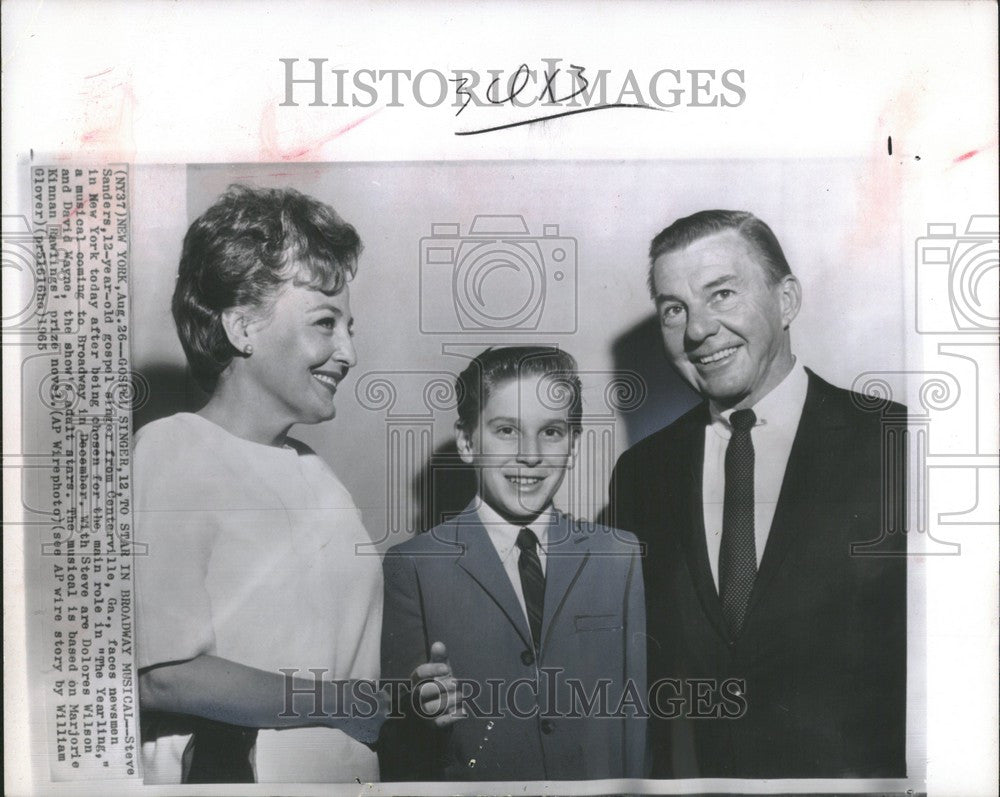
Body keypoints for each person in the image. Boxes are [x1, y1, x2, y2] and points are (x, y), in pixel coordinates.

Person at [609, 210, 907, 778]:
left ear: (787, 299)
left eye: (721, 294)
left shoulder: (898, 444)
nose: (697, 330)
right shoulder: (641, 473)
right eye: (675, 309)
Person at [135, 185, 385, 783]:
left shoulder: (317, 474)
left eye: (349, 326)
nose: (347, 351)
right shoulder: (172, 451)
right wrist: (343, 704)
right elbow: (164, 674)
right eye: (325, 323)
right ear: (243, 326)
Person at [380, 347, 647, 781]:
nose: (530, 454)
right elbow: (398, 742)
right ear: (467, 442)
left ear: (574, 445)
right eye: (507, 430)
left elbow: (636, 724)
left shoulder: (619, 555)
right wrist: (418, 712)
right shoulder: (412, 566)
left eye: (552, 432)